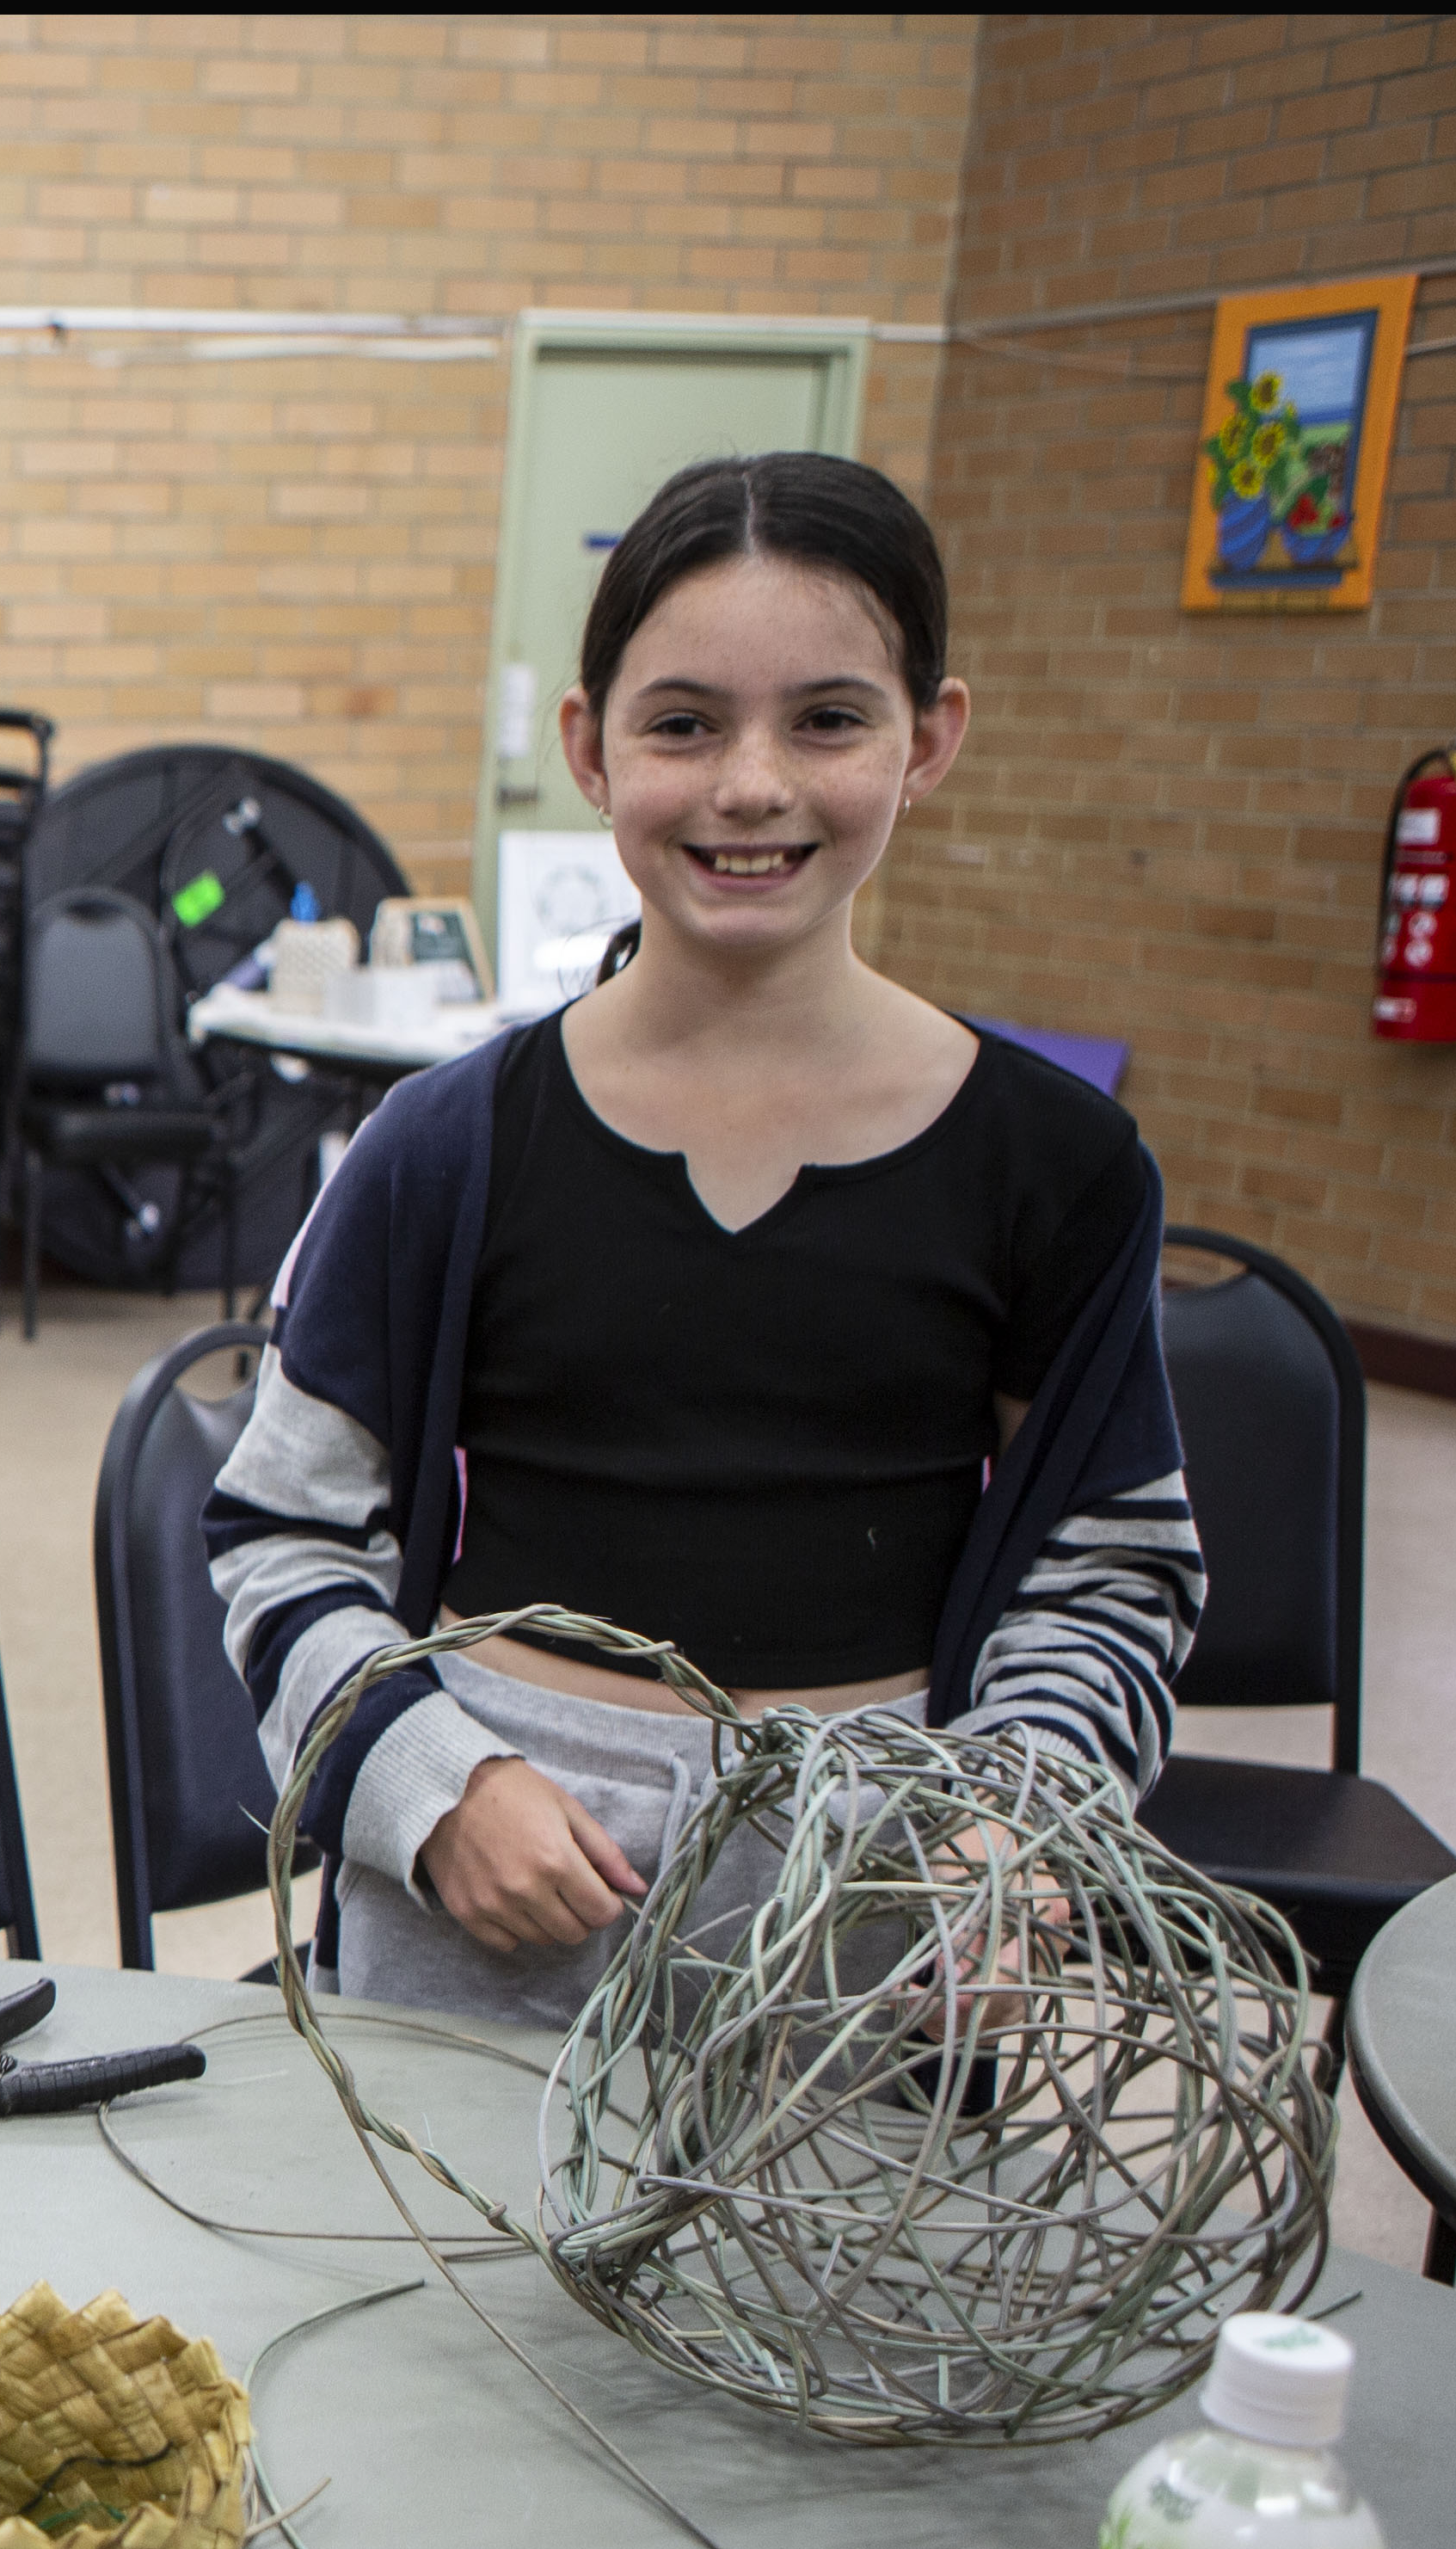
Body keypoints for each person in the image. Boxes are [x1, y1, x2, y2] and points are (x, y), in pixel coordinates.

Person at [212, 452, 1201, 2021]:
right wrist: (432, 1786)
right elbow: (283, 1532)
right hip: (489, 1892)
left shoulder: (1056, 1167)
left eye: (828, 720)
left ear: (930, 738)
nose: (751, 785)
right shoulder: (444, 1148)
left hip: (863, 1923)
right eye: (683, 724)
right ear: (589, 748)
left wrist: (1018, 1822)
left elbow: (1109, 1574)